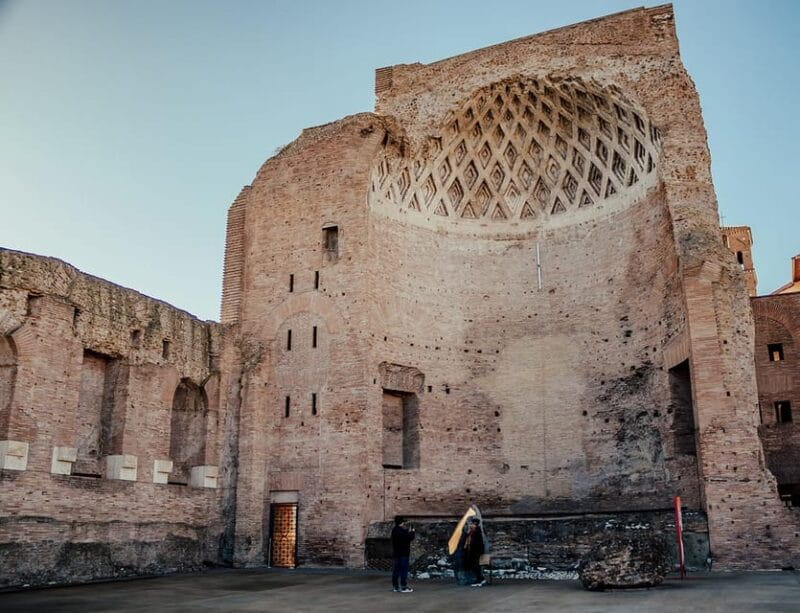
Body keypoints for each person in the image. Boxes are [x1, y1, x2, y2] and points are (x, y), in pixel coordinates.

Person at [391, 516, 415, 593]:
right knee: (403, 571)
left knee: (396, 571)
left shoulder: (394, 530)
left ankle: (396, 587)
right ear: (402, 522)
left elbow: (404, 535)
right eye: (403, 522)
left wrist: (408, 531)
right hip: (403, 554)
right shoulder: (401, 531)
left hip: (396, 553)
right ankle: (404, 587)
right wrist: (412, 531)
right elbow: (410, 538)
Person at [463, 517, 486, 587]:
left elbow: (477, 542)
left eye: (473, 524)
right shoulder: (471, 532)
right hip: (471, 552)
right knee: (472, 566)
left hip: (476, 552)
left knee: (476, 566)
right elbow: (466, 538)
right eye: (472, 524)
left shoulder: (477, 531)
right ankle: (480, 578)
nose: (471, 525)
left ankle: (479, 580)